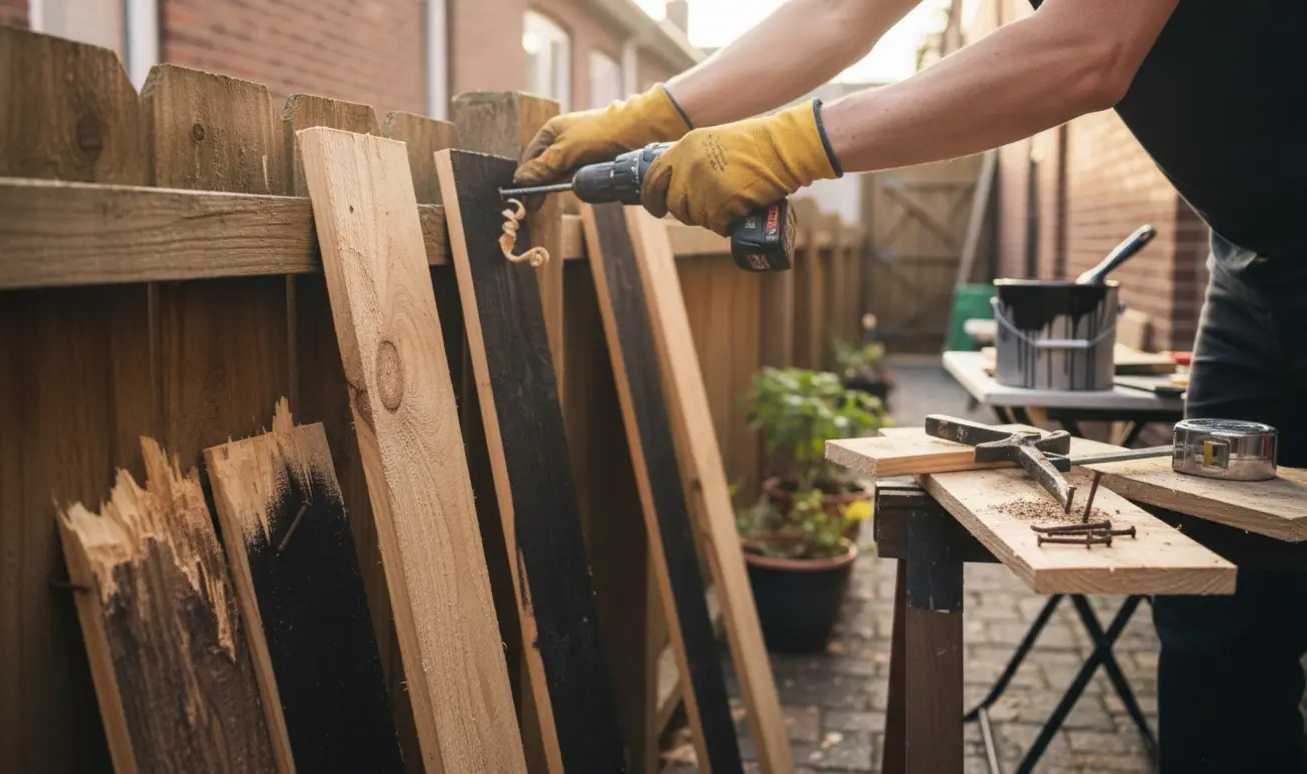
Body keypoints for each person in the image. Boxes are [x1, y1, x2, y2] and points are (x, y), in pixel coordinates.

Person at [515, 0, 1307, 771]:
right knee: (1221, 608)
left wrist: (792, 141)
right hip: (1255, 266)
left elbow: (1088, 47)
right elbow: (838, 15)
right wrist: (654, 112)